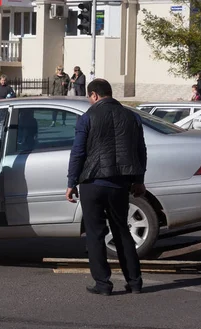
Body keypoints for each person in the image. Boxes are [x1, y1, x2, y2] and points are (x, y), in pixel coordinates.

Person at [66, 78, 147, 296]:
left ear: (94, 95)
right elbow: (140, 150)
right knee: (122, 230)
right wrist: (139, 180)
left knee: (95, 233)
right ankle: (135, 282)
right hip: (120, 182)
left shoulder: (87, 118)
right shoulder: (132, 117)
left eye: (89, 98)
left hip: (92, 182)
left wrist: (71, 182)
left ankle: (103, 283)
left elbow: (78, 152)